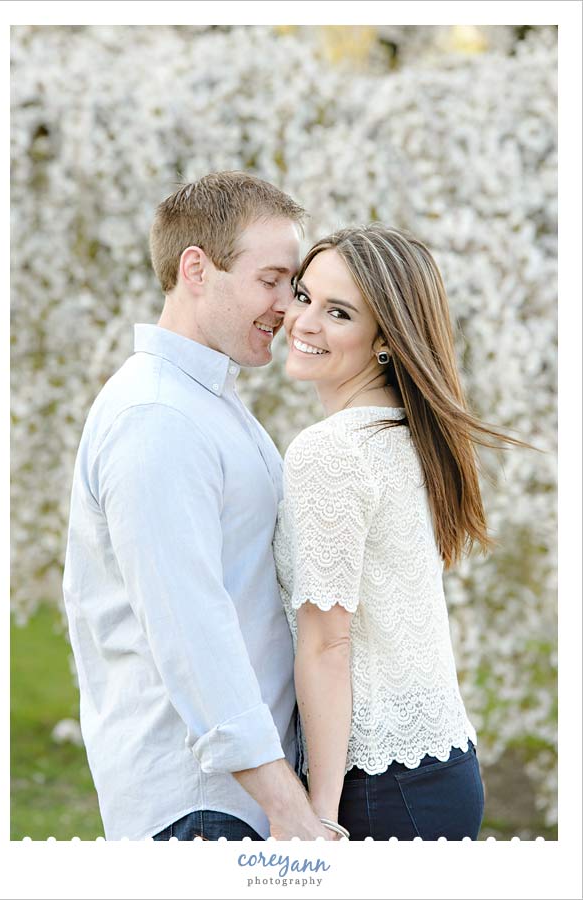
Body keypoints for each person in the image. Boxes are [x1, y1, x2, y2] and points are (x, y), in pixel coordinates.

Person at [62, 171, 339, 842]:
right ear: (196, 269)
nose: (288, 307)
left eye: (292, 284)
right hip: (203, 806)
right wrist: (287, 806)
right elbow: (190, 627)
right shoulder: (157, 418)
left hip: (232, 799)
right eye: (270, 280)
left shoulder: (204, 404)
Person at [274, 223, 526, 841]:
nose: (303, 322)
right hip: (440, 771)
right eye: (302, 295)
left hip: (377, 784)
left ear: (384, 339)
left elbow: (328, 644)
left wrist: (319, 817)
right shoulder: (403, 435)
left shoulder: (331, 451)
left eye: (338, 312)